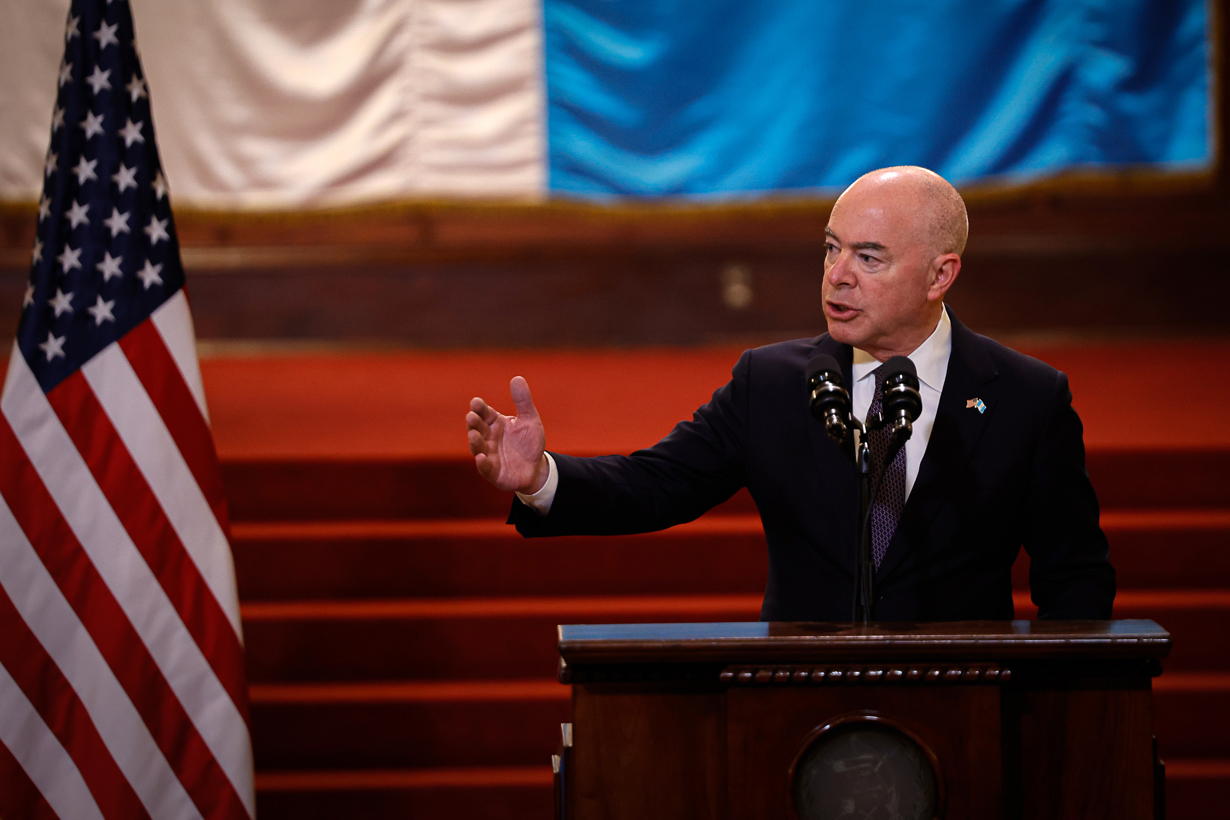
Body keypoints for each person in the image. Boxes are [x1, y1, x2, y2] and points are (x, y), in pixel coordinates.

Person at [465, 166, 1115, 621]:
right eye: (831, 250)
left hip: (964, 719)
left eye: (869, 257)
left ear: (940, 274)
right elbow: (656, 484)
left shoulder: (1026, 399)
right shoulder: (772, 384)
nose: (837, 276)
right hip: (800, 714)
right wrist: (541, 478)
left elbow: (1075, 578)